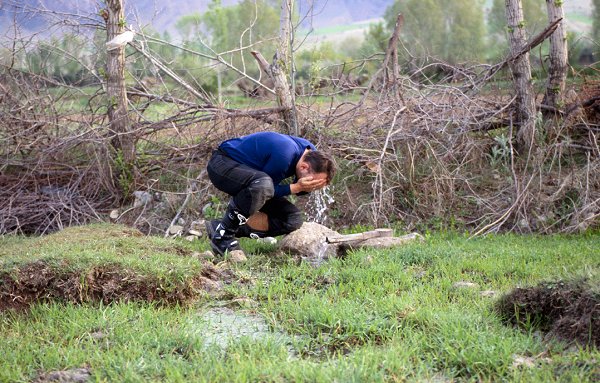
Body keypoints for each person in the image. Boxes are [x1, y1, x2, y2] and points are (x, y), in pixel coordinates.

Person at [205, 131, 336, 256]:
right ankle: (223, 238)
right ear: (304, 167)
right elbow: (268, 189)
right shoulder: (284, 156)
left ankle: (221, 227)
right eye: (313, 182)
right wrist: (296, 187)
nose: (313, 185)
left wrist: (304, 188)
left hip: (254, 179)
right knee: (263, 185)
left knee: (292, 219)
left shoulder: (310, 153)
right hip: (222, 164)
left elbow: (271, 190)